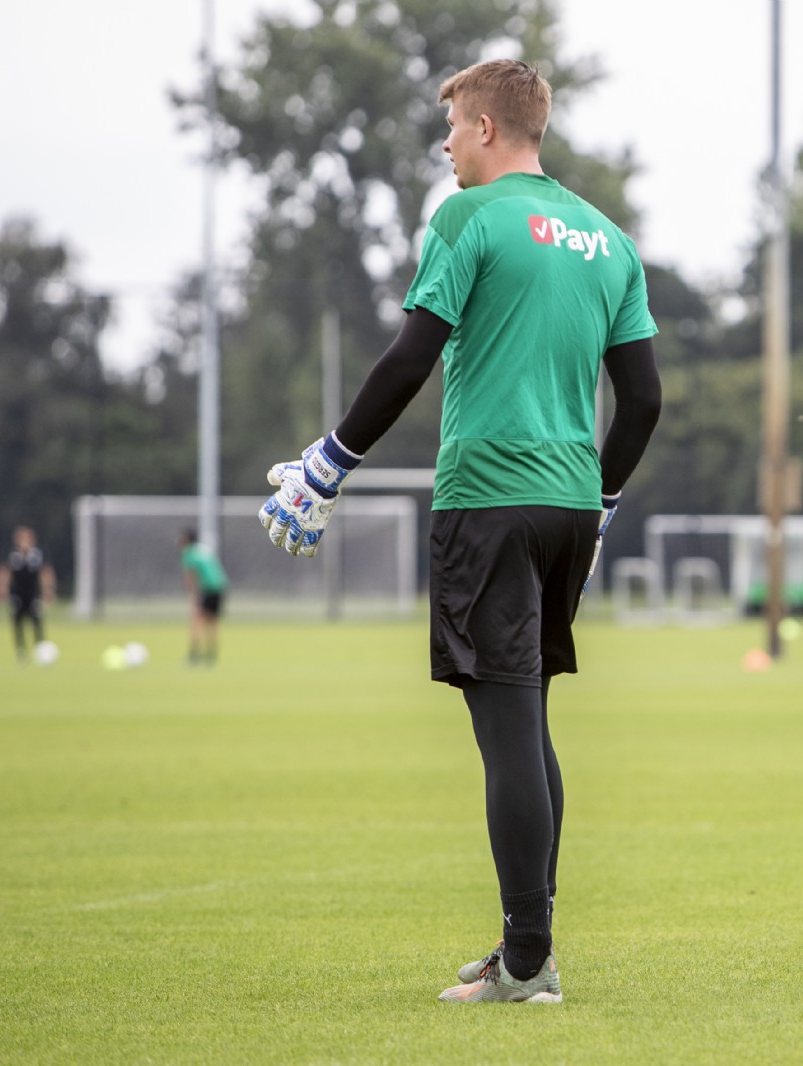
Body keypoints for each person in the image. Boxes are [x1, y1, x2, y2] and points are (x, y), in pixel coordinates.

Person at [256, 59, 660, 1005]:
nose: (444, 145)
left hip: (487, 498)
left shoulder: (468, 219)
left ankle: (527, 963)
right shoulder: (608, 240)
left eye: (451, 127)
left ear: (485, 126)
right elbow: (641, 401)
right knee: (531, 722)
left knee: (506, 729)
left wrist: (329, 465)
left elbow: (411, 356)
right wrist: (597, 506)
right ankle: (531, 947)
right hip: (566, 506)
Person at [0, 525, 54, 660]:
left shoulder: (38, 554)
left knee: (37, 621)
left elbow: (45, 572)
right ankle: (20, 650)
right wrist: (1, 589)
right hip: (17, 595)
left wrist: (48, 591)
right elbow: (4, 572)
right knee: (17, 622)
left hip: (33, 594)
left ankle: (40, 649)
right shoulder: (12, 555)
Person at [178, 529, 228, 665]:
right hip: (221, 585)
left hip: (208, 588)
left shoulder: (188, 553)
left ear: (187, 541)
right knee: (212, 621)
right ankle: (211, 654)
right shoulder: (203, 549)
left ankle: (194, 654)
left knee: (197, 619)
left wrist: (192, 596)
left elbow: (190, 576)